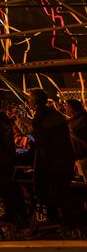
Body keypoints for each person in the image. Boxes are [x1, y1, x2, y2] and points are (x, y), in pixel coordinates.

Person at [28, 89, 79, 225]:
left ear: (35, 101)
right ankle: (67, 218)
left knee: (49, 189)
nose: (28, 102)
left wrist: (27, 134)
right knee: (61, 189)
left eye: (30, 99)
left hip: (51, 159)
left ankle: (59, 219)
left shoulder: (40, 116)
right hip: (63, 157)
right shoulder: (55, 114)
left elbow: (40, 139)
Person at [0, 96, 27, 224]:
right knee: (12, 186)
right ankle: (20, 211)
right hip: (8, 158)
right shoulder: (5, 119)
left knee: (4, 188)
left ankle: (11, 213)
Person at [66, 98, 87, 181]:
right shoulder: (79, 118)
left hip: (84, 156)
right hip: (81, 156)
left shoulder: (77, 122)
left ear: (70, 107)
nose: (65, 108)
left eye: (66, 106)